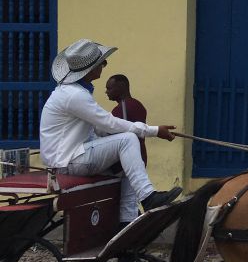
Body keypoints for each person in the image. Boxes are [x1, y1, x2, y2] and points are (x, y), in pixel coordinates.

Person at [39, 39, 179, 225]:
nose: (104, 66)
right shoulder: (74, 95)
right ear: (91, 69)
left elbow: (98, 128)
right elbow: (109, 123)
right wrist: (153, 131)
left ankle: (126, 223)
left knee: (127, 162)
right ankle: (148, 198)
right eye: (102, 63)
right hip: (66, 162)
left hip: (71, 157)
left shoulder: (74, 92)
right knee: (128, 140)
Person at [106, 73, 149, 166]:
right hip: (141, 156)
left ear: (121, 88)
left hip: (128, 160)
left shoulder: (122, 108)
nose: (106, 92)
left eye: (109, 88)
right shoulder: (138, 104)